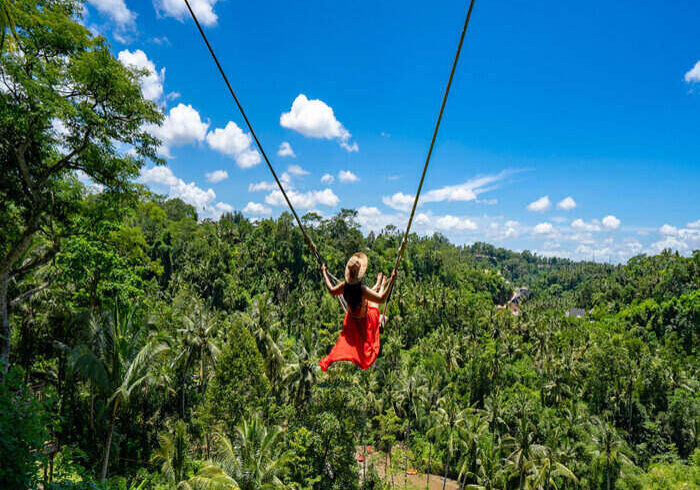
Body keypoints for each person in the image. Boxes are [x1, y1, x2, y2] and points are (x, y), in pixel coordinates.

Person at [319, 252, 397, 371]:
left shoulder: (344, 286)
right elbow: (381, 299)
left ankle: (378, 284)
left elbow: (331, 290)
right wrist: (391, 281)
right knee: (378, 311)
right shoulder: (362, 290)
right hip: (364, 322)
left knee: (371, 301)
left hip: (351, 320)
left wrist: (324, 272)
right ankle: (381, 286)